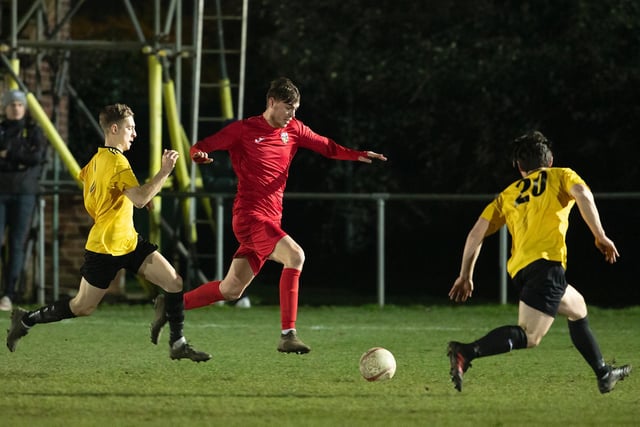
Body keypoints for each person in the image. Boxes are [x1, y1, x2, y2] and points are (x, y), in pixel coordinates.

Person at [150, 77, 387, 354]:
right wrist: (198, 155)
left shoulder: (295, 130)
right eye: (288, 107)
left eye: (296, 109)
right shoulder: (244, 130)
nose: (292, 114)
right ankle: (288, 335)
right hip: (250, 218)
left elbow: (328, 147)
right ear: (271, 102)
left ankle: (171, 303)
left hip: (269, 221)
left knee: (231, 290)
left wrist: (357, 155)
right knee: (295, 256)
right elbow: (202, 145)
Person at [6, 103, 211, 362]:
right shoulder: (116, 162)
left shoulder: (95, 161)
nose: (134, 134)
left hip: (128, 241)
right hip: (105, 247)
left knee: (174, 282)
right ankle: (25, 319)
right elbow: (137, 198)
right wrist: (164, 171)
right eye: (130, 128)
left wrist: (134, 197)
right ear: (114, 129)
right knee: (82, 306)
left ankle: (178, 343)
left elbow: (108, 194)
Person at [447, 130, 631, 393]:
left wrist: (465, 275)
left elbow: (476, 233)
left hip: (523, 269)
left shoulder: (507, 194)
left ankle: (604, 374)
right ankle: (465, 352)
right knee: (530, 336)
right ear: (550, 160)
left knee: (578, 308)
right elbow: (582, 193)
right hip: (547, 265)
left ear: (520, 167)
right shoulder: (562, 175)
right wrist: (599, 235)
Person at [0, 89, 48, 311]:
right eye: (12, 105)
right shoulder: (2, 129)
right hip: (2, 191)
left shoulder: (33, 131)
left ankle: (8, 294)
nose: (16, 108)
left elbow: (36, 157)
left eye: (19, 105)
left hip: (25, 193)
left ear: (24, 108)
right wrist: (20, 159)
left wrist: (8, 155)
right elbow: (27, 158)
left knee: (17, 243)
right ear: (5, 107)